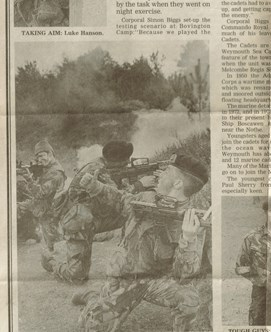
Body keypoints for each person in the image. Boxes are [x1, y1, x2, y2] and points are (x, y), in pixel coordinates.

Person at [75, 152, 210, 332]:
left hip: (157, 280)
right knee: (91, 327)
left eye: (166, 171)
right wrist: (94, 186)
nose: (159, 174)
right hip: (125, 277)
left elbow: (184, 276)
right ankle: (93, 297)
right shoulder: (146, 198)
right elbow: (121, 199)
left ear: (178, 184)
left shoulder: (192, 221)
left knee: (189, 300)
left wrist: (188, 239)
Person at [42, 140, 145, 282]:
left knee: (137, 213)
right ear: (114, 161)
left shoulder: (107, 166)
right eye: (124, 162)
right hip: (78, 223)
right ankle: (50, 261)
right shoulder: (96, 170)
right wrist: (139, 185)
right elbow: (117, 199)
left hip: (96, 217)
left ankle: (128, 260)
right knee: (77, 276)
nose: (127, 164)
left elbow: (120, 197)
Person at [235, 196, 271, 325]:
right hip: (261, 293)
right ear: (266, 212)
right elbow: (240, 267)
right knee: (258, 324)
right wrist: (262, 278)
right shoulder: (252, 238)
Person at [18, 140, 66, 253]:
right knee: (18, 208)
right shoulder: (48, 168)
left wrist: (29, 179)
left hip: (51, 212)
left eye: (41, 156)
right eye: (37, 157)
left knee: (55, 246)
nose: (39, 160)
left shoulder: (56, 173)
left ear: (50, 153)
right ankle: (32, 235)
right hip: (44, 207)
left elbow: (40, 193)